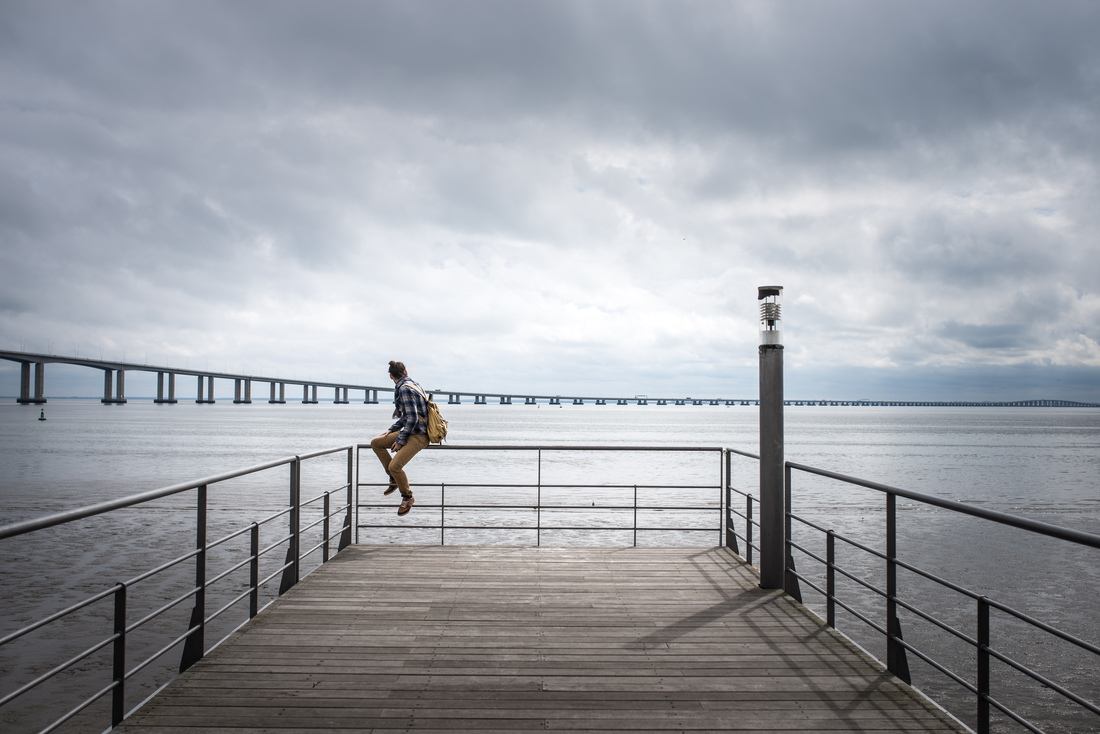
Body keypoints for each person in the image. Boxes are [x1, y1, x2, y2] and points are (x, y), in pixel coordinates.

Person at [370, 361, 429, 516]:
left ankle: (407, 497)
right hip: (411, 431)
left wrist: (400, 440)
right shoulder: (412, 384)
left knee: (395, 466)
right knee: (376, 442)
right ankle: (393, 479)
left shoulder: (404, 389)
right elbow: (407, 417)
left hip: (419, 435)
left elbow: (413, 418)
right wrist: (390, 430)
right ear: (405, 371)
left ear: (390, 376)